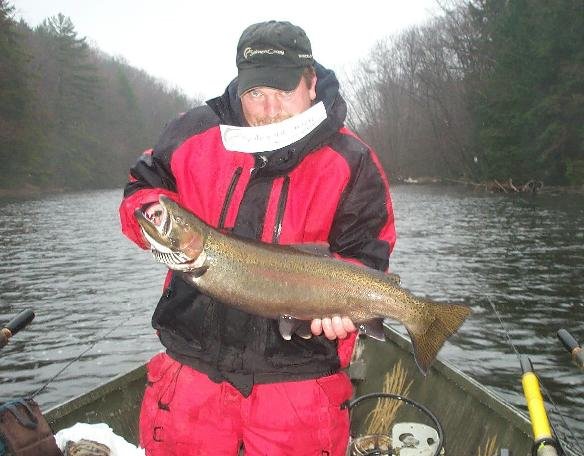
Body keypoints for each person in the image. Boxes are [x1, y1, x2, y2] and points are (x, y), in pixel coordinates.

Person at [119, 20, 396, 456]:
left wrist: (344, 309)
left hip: (300, 388)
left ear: (310, 82)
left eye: (283, 92)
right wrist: (149, 213)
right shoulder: (192, 131)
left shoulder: (352, 161)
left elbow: (367, 256)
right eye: (255, 94)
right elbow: (142, 189)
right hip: (190, 378)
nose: (269, 109)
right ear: (238, 86)